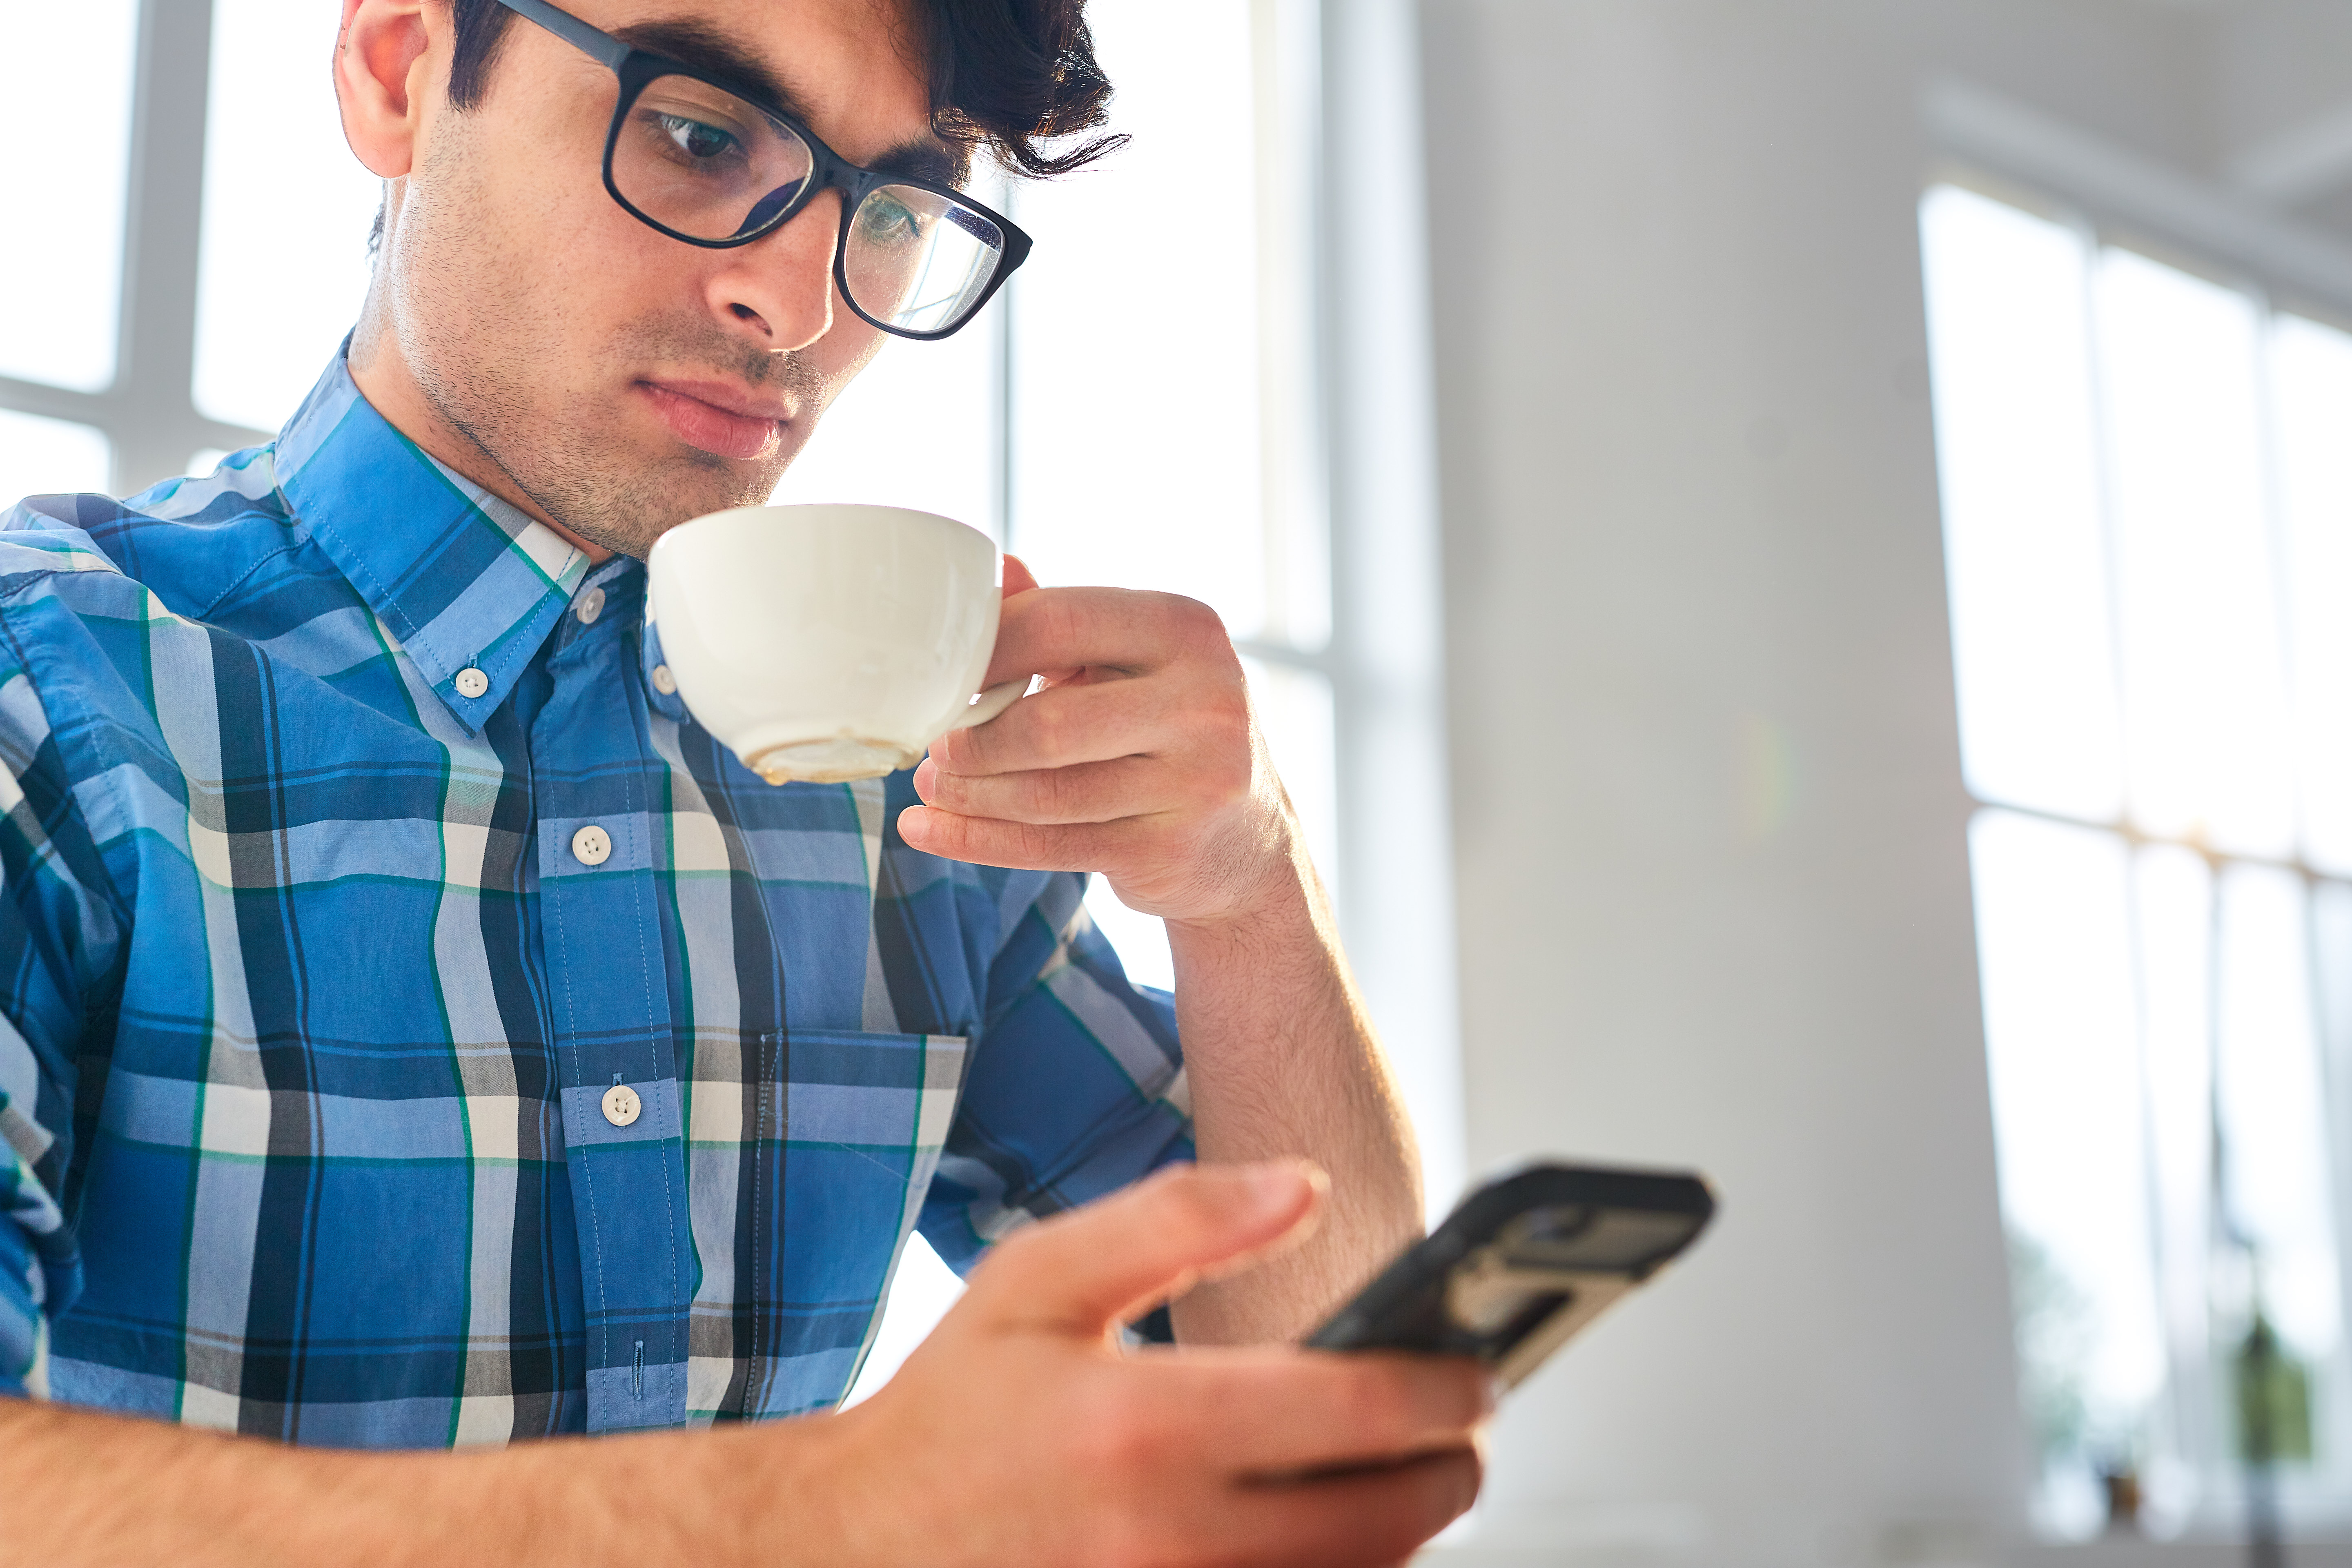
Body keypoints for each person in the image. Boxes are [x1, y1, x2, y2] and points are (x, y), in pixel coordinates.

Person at [0, 0, 1488, 1561]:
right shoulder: (49, 687)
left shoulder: (911, 788)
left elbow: (1317, 1410)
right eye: (702, 138)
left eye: (895, 212)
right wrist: (813, 1516)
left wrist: (1249, 887)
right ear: (400, 69)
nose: (798, 302)